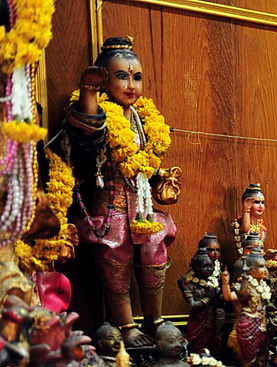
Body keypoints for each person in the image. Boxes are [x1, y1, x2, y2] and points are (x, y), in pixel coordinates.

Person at [64, 36, 177, 346]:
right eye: (121, 76)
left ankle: (155, 320)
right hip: (111, 203)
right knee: (115, 253)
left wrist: (162, 181)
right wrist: (89, 92)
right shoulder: (102, 112)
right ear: (103, 81)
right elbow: (88, 131)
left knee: (154, 251)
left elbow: (146, 164)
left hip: (142, 206)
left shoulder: (144, 119)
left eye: (136, 77)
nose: (131, 85)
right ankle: (127, 326)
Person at [235, 183, 267, 254]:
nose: (260, 206)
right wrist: (246, 209)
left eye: (262, 202)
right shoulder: (241, 223)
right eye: (256, 202)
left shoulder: (261, 226)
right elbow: (246, 229)